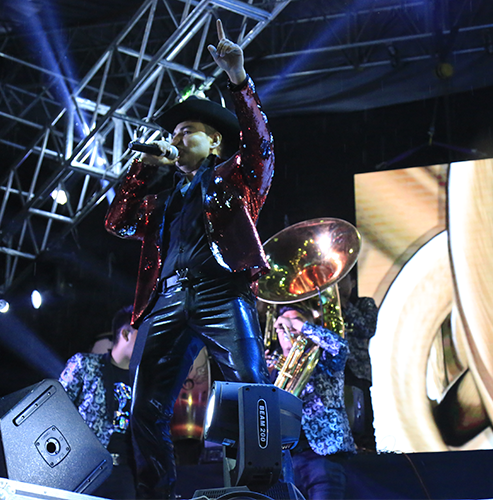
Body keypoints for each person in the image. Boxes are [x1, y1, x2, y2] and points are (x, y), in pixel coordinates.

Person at [105, 19, 273, 499]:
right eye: (173, 133)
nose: (176, 139)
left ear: (213, 141)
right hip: (170, 300)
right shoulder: (160, 200)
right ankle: (156, 494)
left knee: (250, 390)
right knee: (145, 408)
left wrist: (238, 78)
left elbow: (260, 145)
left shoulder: (234, 179)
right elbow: (117, 222)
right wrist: (142, 168)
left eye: (187, 132)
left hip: (222, 292)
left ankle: (261, 490)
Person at [273, 306, 356, 500]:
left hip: (322, 456)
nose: (287, 328)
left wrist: (298, 325)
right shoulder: (272, 369)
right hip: (286, 462)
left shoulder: (324, 360)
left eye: (294, 321)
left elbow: (340, 347)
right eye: (283, 324)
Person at [58, 306, 138, 500]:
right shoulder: (85, 364)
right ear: (125, 334)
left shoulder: (143, 380)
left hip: (125, 471)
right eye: (142, 333)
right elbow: (55, 411)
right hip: (86, 469)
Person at [337, 273, 378, 451]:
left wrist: (344, 305)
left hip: (357, 370)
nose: (337, 285)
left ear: (352, 283)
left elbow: (368, 328)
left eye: (342, 280)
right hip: (334, 371)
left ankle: (368, 454)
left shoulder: (365, 304)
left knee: (362, 420)